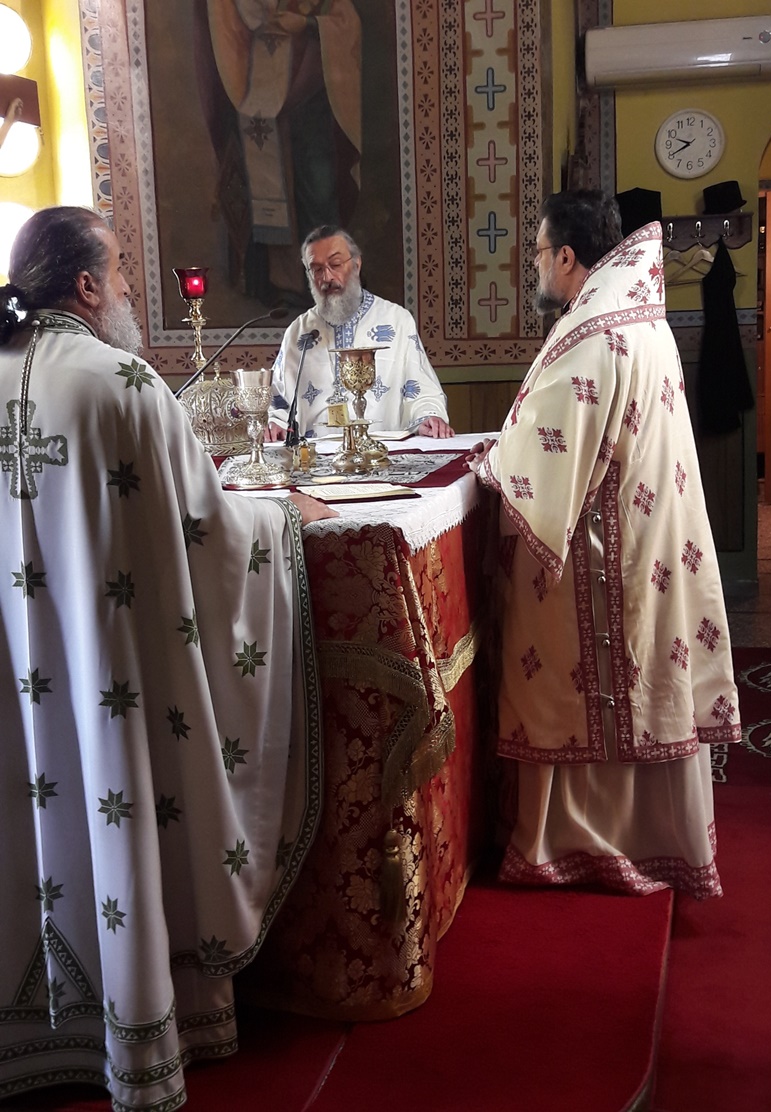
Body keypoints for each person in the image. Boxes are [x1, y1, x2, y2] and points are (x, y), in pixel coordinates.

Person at [0, 206, 335, 1109]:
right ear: (84, 286)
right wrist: (283, 522)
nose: (129, 294)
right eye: (119, 272)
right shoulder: (122, 383)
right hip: (109, 686)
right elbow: (210, 534)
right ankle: (144, 1014)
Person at [467, 190, 741, 899]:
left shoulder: (591, 331)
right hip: (647, 541)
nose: (534, 265)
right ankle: (654, 838)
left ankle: (574, 843)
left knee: (587, 681)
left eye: (537, 251)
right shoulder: (639, 315)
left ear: (566, 255)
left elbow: (544, 458)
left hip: (601, 556)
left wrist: (489, 463)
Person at [199, 0, 362, 305]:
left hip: (312, 88)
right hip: (260, 86)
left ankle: (331, 286)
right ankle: (282, 282)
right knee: (270, 183)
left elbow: (345, 21)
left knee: (317, 189)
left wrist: (309, 25)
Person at [266, 225, 455, 440]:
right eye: (316, 269)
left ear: (356, 264)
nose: (327, 277)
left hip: (383, 456)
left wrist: (428, 418)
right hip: (315, 459)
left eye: (335, 264)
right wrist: (276, 423)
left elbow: (421, 389)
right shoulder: (298, 332)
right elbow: (278, 400)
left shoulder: (396, 321)